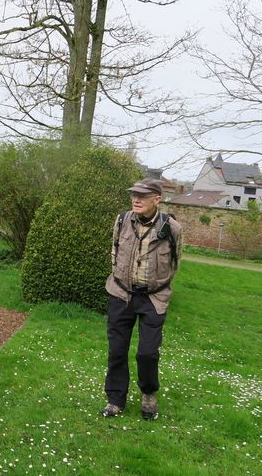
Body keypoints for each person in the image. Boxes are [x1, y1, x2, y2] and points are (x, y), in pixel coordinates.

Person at [102, 178, 182, 421]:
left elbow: (175, 263)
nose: (136, 199)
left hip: (154, 298)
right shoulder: (122, 220)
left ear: (157, 199)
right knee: (117, 350)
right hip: (121, 294)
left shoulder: (172, 228)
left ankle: (148, 393)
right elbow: (114, 250)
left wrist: (158, 285)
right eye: (134, 195)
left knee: (147, 353)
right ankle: (115, 399)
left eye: (143, 196)